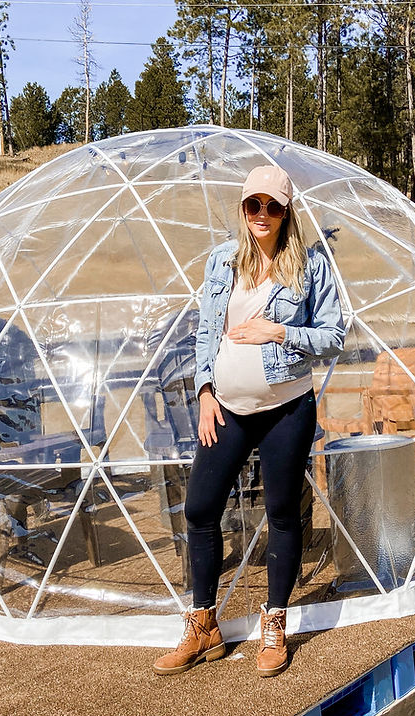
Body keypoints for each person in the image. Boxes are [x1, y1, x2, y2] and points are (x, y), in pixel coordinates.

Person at [153, 165, 345, 678]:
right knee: (200, 508)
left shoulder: (310, 265)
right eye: (253, 204)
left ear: (287, 212)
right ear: (242, 208)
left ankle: (274, 623)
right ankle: (203, 625)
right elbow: (205, 332)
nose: (263, 214)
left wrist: (279, 331)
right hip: (227, 408)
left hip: (287, 408)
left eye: (273, 206)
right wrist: (204, 391)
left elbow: (334, 337)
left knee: (282, 512)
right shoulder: (222, 260)